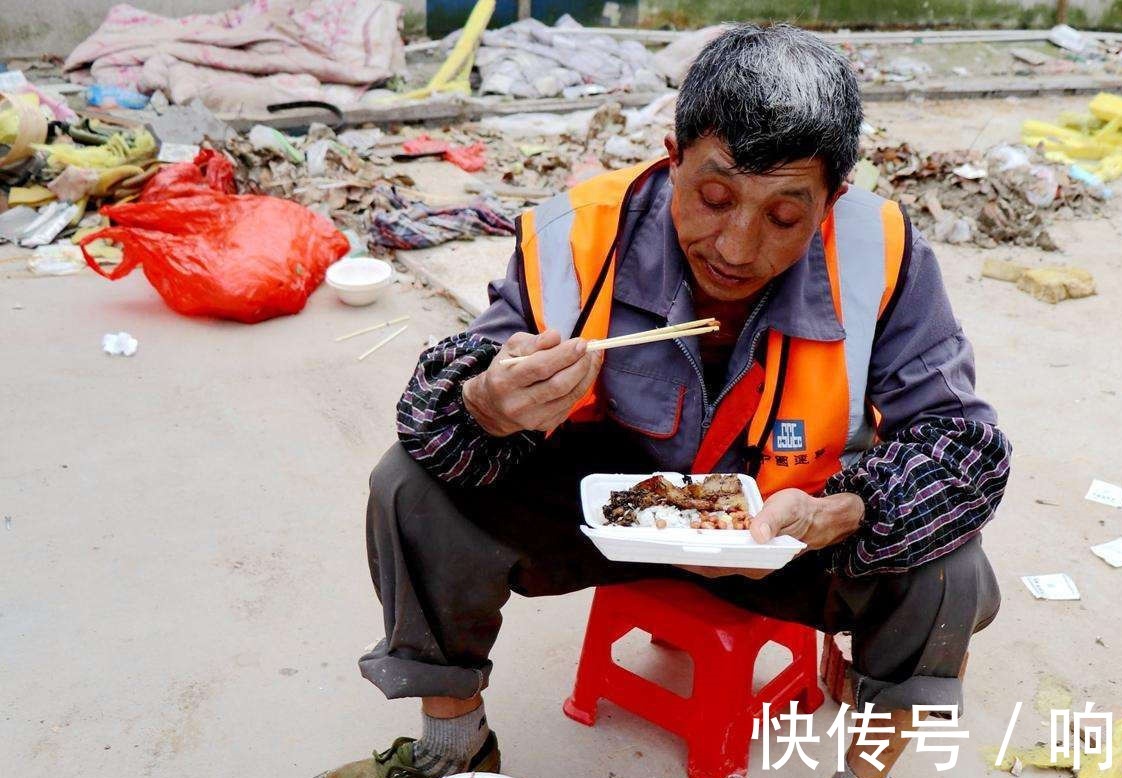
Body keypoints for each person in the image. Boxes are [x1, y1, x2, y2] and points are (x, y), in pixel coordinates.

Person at [321, 23, 1011, 778]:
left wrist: (836, 515)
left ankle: (865, 771)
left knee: (952, 569)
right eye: (714, 197)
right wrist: (487, 403)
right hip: (611, 511)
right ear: (673, 157)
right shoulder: (576, 234)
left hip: (788, 525)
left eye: (785, 216)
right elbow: (437, 411)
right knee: (412, 488)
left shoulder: (877, 248)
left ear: (832, 197)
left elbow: (964, 449)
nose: (738, 248)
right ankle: (455, 748)